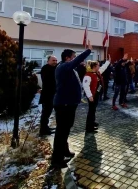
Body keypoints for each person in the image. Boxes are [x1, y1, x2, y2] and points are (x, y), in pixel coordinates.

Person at [51, 41, 92, 169]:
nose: (75, 60)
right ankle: (56, 160)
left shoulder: (69, 68)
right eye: (73, 57)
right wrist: (87, 51)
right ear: (67, 58)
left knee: (66, 130)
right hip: (64, 105)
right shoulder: (63, 66)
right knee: (61, 132)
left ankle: (65, 151)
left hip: (69, 104)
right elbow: (76, 62)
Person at [83, 55, 111, 133]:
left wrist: (108, 62)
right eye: (98, 65)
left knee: (93, 110)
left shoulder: (97, 72)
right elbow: (85, 86)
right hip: (92, 96)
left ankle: (92, 122)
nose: (99, 66)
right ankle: (89, 127)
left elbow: (103, 68)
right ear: (94, 66)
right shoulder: (88, 75)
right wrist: (90, 96)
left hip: (96, 94)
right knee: (91, 111)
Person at [39, 55, 58, 136]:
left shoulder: (54, 68)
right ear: (48, 61)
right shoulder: (46, 68)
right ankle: (43, 130)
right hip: (47, 95)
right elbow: (50, 81)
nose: (55, 62)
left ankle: (46, 128)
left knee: (48, 113)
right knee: (46, 113)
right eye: (53, 60)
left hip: (52, 94)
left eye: (56, 60)